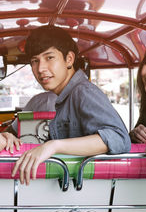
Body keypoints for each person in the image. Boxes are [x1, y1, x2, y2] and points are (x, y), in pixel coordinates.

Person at [11, 25, 131, 185]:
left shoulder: (83, 92)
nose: (40, 69)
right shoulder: (66, 96)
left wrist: (53, 146)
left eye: (49, 58)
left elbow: (119, 138)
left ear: (69, 59)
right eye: (35, 61)